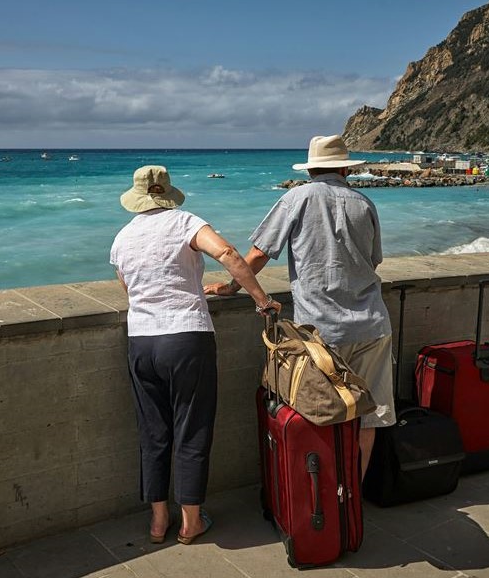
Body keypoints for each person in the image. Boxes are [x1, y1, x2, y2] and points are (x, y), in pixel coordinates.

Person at [205, 135, 395, 479]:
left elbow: (260, 253)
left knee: (321, 412)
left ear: (310, 169)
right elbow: (374, 262)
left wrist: (232, 286)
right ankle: (353, 496)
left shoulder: (296, 198)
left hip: (321, 331)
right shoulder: (364, 203)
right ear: (345, 168)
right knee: (371, 415)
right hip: (372, 324)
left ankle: (323, 498)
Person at [110, 165, 282, 546]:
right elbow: (227, 252)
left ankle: (157, 521)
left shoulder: (122, 239)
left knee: (153, 432)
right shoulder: (185, 222)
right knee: (192, 427)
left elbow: (131, 289)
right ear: (168, 194)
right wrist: (262, 300)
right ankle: (190, 521)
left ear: (137, 198)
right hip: (186, 337)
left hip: (142, 341)